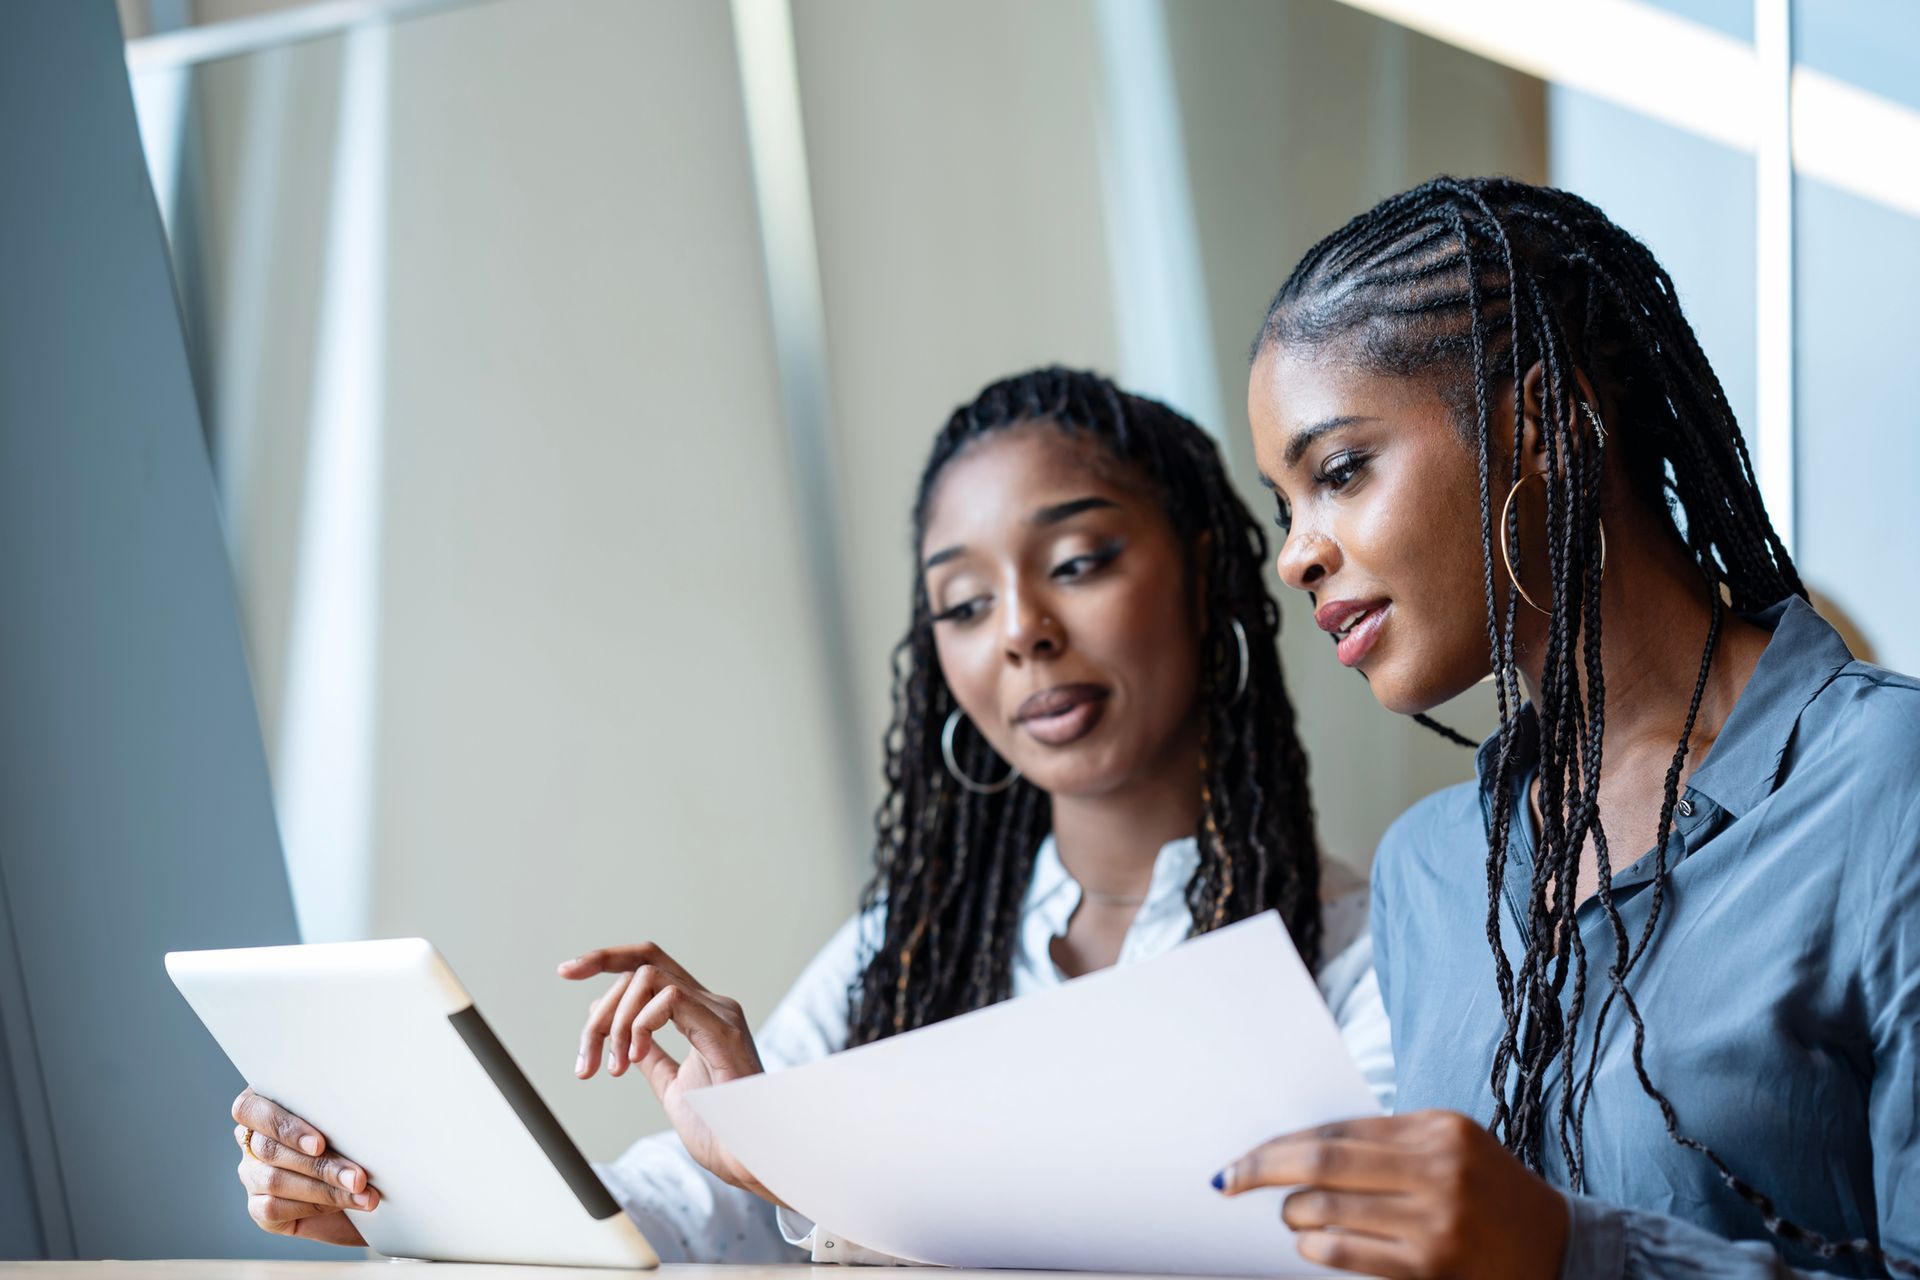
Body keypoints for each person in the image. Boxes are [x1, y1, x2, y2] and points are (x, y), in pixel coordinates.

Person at [227, 366, 1395, 1259]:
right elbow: (690, 1211)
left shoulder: (1361, 951)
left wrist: (809, 1161)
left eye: (1079, 560)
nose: (1020, 629)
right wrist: (391, 1199)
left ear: (1205, 573)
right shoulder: (912, 946)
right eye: (963, 601)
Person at [1218, 177, 1919, 1279]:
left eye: (1340, 472)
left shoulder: (1888, 786)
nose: (1297, 553)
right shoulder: (1431, 873)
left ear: (1541, 418)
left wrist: (1570, 1250)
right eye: (1286, 504)